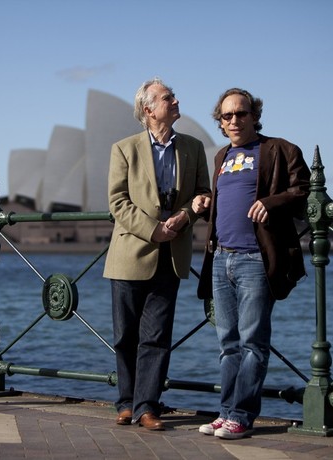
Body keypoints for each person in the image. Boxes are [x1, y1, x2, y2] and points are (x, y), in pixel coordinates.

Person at [193, 88, 310, 439]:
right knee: (227, 343)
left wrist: (271, 203)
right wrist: (205, 202)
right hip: (220, 257)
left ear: (254, 115)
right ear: (220, 122)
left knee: (252, 342)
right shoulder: (222, 157)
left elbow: (304, 190)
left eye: (240, 114)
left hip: (255, 259)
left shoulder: (279, 149)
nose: (234, 121)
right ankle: (226, 411)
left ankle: (242, 416)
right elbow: (225, 202)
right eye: (226, 116)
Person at [103, 77, 211, 431]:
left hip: (173, 253)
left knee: (157, 336)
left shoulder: (193, 148)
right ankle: (126, 402)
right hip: (131, 253)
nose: (176, 101)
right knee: (125, 336)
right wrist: (153, 229)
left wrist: (186, 215)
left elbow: (202, 194)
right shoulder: (124, 148)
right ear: (148, 110)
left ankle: (146, 406)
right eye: (168, 98)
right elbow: (118, 201)